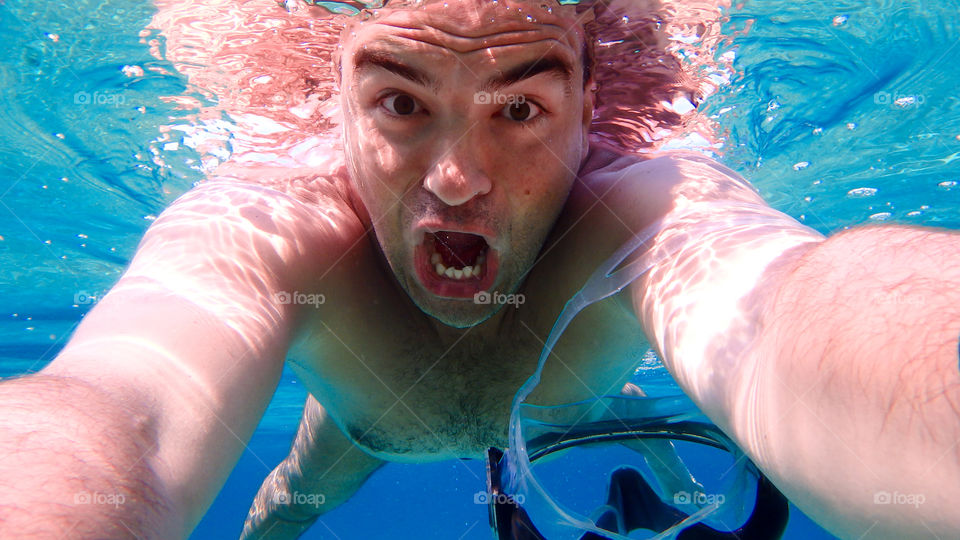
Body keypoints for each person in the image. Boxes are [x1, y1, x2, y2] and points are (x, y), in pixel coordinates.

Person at [0, 0, 958, 539]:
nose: (456, 181)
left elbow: (780, 305)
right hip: (366, 435)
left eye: (520, 109)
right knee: (287, 507)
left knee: (644, 420)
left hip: (568, 411)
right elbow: (118, 405)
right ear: (336, 110)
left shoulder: (648, 207)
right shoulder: (274, 226)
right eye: (400, 105)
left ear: (590, 108)